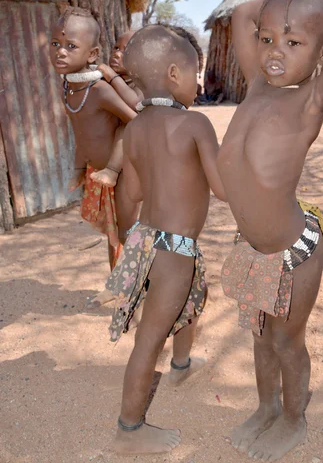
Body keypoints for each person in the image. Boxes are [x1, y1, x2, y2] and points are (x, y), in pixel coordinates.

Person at [218, 0, 323, 461]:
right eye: (267, 41)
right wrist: (282, 4)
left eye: (293, 42)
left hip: (292, 253)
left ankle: (292, 418)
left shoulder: (312, 100)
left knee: (286, 341)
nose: (275, 53)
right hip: (252, 248)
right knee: (260, 336)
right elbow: (244, 11)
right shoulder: (258, 85)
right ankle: (266, 408)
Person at [104, 24, 226, 456]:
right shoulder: (195, 124)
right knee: (150, 337)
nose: (198, 83)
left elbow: (131, 194)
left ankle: (182, 364)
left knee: (194, 299)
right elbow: (224, 188)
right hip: (176, 249)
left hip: (147, 241)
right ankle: (129, 429)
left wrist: (123, 240)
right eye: (196, 74)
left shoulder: (135, 130)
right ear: (175, 74)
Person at [50, 7, 139, 305]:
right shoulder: (70, 88)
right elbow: (81, 133)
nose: (60, 52)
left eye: (70, 46)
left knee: (126, 234)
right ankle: (118, 286)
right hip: (97, 172)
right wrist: (79, 169)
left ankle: (137, 292)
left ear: (92, 54)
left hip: (126, 173)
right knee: (113, 236)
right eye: (55, 44)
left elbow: (136, 120)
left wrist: (114, 167)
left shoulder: (100, 89)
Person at [89, 30, 144, 188]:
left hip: (129, 157)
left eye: (125, 50)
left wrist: (112, 76)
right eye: (116, 48)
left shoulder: (140, 83)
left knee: (124, 128)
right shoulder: (102, 81)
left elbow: (136, 105)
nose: (117, 54)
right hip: (101, 156)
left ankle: (111, 171)